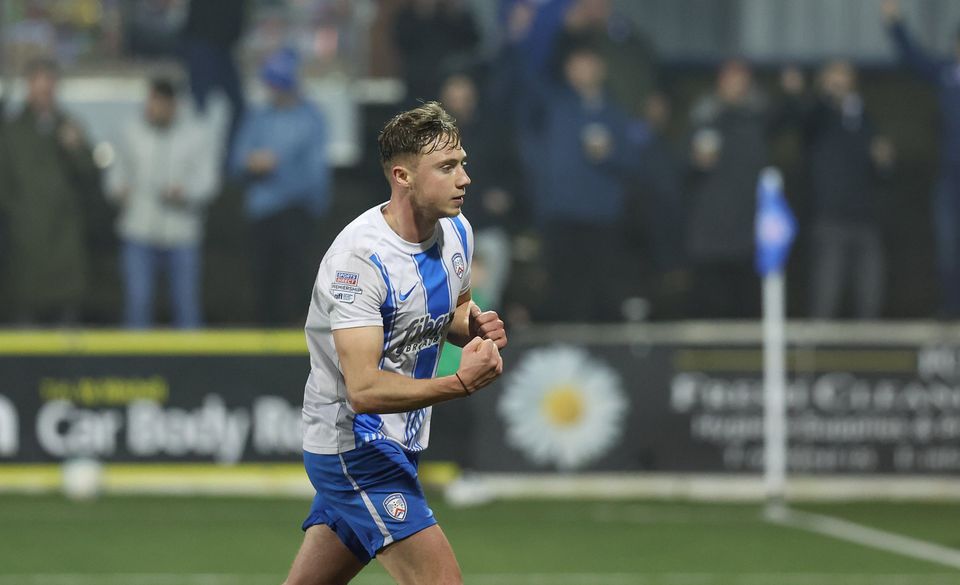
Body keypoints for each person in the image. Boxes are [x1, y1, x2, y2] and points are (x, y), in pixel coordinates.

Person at [281, 102, 507, 585]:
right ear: (403, 176)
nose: (464, 178)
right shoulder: (359, 261)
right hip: (353, 446)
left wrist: (476, 326)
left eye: (463, 163)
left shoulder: (457, 232)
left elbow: (451, 310)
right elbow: (362, 390)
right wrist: (459, 384)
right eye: (447, 168)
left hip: (398, 441)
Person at [106, 78, 219, 329]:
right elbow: (115, 175)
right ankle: (135, 365)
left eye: (160, 103)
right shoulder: (130, 131)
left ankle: (191, 365)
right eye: (151, 101)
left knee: (186, 305)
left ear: (173, 104)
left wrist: (185, 193)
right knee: (138, 303)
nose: (154, 108)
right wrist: (118, 190)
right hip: (138, 231)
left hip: (182, 234)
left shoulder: (196, 134)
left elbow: (208, 182)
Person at [230, 47, 332, 325]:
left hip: (297, 210)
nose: (274, 92)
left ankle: (300, 342)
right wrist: (253, 164)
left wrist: (278, 167)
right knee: (264, 280)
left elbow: (314, 174)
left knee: (300, 279)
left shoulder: (310, 117)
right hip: (262, 210)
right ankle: (263, 343)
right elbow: (236, 161)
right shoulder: (258, 116)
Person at [787, 62, 894, 319]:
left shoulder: (862, 116)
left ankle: (869, 353)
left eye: (845, 74)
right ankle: (817, 353)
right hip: (829, 217)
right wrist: (816, 93)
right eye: (834, 74)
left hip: (864, 218)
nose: (840, 80)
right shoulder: (817, 115)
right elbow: (803, 118)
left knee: (870, 293)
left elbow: (881, 171)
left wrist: (883, 161)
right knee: (826, 293)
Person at [0, 58, 100, 325]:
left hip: (64, 239)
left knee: (66, 326)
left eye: (49, 88)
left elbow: (90, 177)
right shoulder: (10, 131)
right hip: (26, 241)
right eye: (38, 87)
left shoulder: (69, 126)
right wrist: (19, 216)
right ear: (28, 88)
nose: (44, 95)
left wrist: (76, 147)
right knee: (26, 323)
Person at [882, 0, 960, 317]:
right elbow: (913, 57)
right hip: (950, 172)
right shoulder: (945, 73)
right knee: (947, 244)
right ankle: (950, 307)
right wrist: (894, 23)